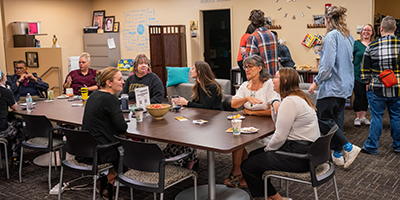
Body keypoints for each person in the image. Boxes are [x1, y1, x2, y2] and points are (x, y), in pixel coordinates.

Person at [240, 68, 320, 200]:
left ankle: (279, 199)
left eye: (275, 77)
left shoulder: (290, 102)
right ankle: (271, 196)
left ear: (285, 81)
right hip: (309, 152)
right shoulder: (298, 98)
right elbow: (279, 124)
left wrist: (268, 150)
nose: (272, 80)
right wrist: (274, 103)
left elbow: (280, 136)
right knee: (253, 155)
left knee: (247, 166)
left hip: (299, 157)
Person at [308, 6, 361, 168]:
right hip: (344, 85)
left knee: (322, 118)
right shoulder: (348, 36)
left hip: (332, 86)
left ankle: (348, 148)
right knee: (336, 121)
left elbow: (327, 65)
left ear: (328, 20)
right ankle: (337, 154)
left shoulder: (331, 36)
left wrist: (316, 81)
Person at [224, 55, 280, 188]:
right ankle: (239, 171)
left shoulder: (269, 85)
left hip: (267, 130)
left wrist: (250, 112)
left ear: (260, 68)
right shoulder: (245, 85)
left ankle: (242, 172)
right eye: (245, 67)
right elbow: (233, 103)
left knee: (238, 139)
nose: (247, 70)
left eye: (250, 67)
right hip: (248, 127)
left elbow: (272, 111)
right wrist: (246, 98)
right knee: (236, 136)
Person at [164, 61, 223, 169]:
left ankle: (187, 158)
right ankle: (182, 155)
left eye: (193, 69)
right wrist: (183, 106)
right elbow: (196, 104)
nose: (190, 70)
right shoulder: (198, 85)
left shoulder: (212, 87)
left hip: (214, 120)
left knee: (188, 131)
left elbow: (206, 106)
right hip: (203, 117)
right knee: (181, 128)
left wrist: (187, 103)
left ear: (199, 72)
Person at [81, 67, 127, 199]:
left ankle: (108, 187)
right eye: (119, 79)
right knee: (128, 154)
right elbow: (121, 127)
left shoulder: (93, 95)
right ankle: (105, 180)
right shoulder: (110, 99)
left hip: (86, 149)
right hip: (101, 151)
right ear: (109, 83)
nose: (123, 82)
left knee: (121, 152)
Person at [361, 16, 400, 155]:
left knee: (376, 117)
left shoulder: (372, 46)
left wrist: (366, 82)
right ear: (395, 28)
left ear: (380, 29)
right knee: (396, 116)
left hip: (377, 88)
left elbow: (365, 70)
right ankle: (398, 145)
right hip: (398, 89)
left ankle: (371, 146)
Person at [242, 9, 279, 75]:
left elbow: (250, 62)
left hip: (261, 78)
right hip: (273, 77)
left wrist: (244, 53)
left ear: (252, 23)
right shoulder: (272, 35)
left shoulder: (252, 37)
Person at [353, 24, 374, 126]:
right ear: (361, 32)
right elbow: (350, 57)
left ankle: (363, 117)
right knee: (358, 95)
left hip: (369, 75)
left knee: (366, 96)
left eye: (369, 30)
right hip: (357, 74)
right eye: (364, 30)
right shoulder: (356, 44)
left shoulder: (374, 44)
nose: (366, 32)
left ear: (372, 32)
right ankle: (357, 118)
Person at [0, 69, 22, 162]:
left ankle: (5, 153)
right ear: (3, 78)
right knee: (19, 130)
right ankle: (15, 157)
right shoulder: (4, 92)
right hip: (1, 129)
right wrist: (9, 91)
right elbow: (14, 107)